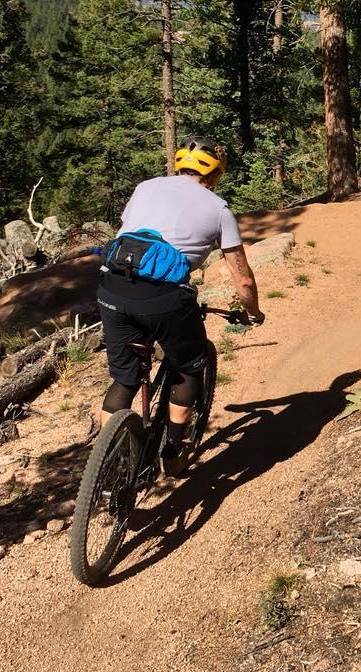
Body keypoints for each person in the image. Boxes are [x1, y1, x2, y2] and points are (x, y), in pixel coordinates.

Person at [96, 136, 264, 473]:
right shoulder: (219, 208)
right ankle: (172, 453)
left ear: (179, 164)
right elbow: (243, 279)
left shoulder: (145, 187)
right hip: (163, 297)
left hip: (111, 287)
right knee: (188, 366)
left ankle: (107, 463)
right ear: (215, 173)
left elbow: (126, 230)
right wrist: (252, 311)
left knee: (125, 378)